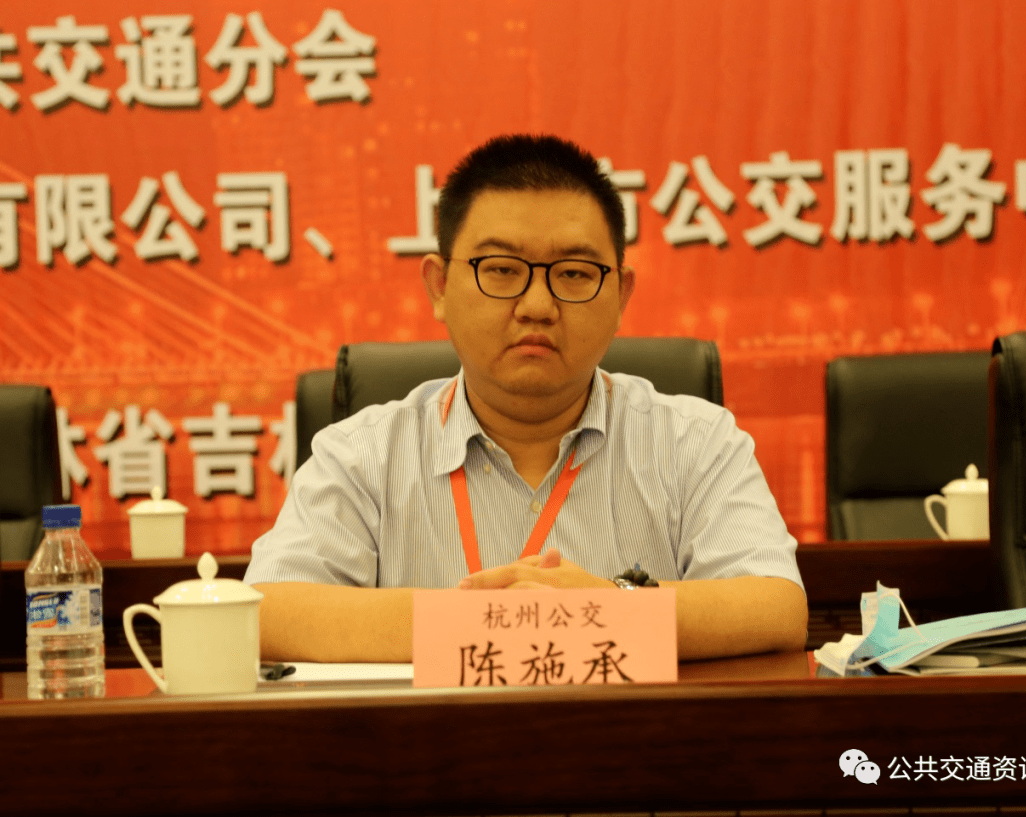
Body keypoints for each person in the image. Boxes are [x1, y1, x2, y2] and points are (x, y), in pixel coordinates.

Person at [245, 134, 807, 663]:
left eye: (574, 273)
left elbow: (775, 606)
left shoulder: (695, 441)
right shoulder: (362, 454)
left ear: (620, 295)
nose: (537, 305)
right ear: (439, 287)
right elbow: (269, 613)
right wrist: (500, 623)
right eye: (501, 269)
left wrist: (610, 606)